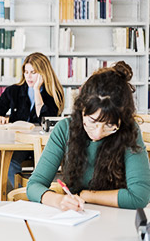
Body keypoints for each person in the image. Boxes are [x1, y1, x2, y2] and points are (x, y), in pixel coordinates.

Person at [27, 61, 150, 210]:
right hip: (78, 216)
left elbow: (139, 196)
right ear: (81, 109)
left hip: (118, 216)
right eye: (92, 121)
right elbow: (34, 185)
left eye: (110, 125)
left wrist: (86, 195)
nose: (98, 133)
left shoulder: (129, 131)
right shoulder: (65, 129)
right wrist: (59, 200)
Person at [0, 52, 64, 187]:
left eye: (33, 72)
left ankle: (36, 192)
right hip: (19, 143)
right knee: (10, 163)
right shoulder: (14, 91)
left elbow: (46, 121)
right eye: (26, 72)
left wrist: (37, 90)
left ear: (44, 73)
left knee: (45, 168)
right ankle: (25, 193)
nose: (29, 76)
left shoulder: (54, 93)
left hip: (44, 144)